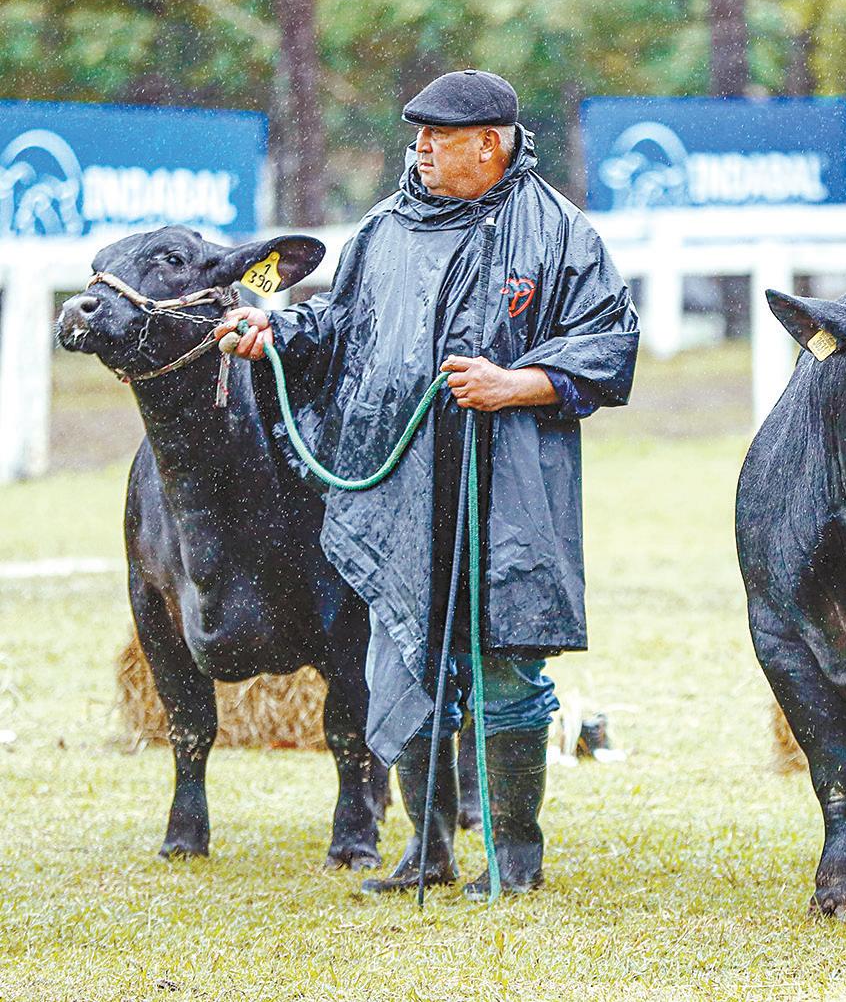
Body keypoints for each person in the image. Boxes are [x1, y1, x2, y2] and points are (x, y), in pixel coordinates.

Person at [219, 70, 639, 897]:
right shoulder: (384, 228)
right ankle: (428, 848)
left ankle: (513, 859)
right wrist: (277, 329)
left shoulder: (559, 233)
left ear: (489, 144)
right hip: (400, 483)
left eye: (437, 138)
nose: (419, 149)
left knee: (507, 669)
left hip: (508, 486)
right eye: (416, 136)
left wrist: (514, 383)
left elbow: (609, 344)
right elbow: (338, 328)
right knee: (401, 665)